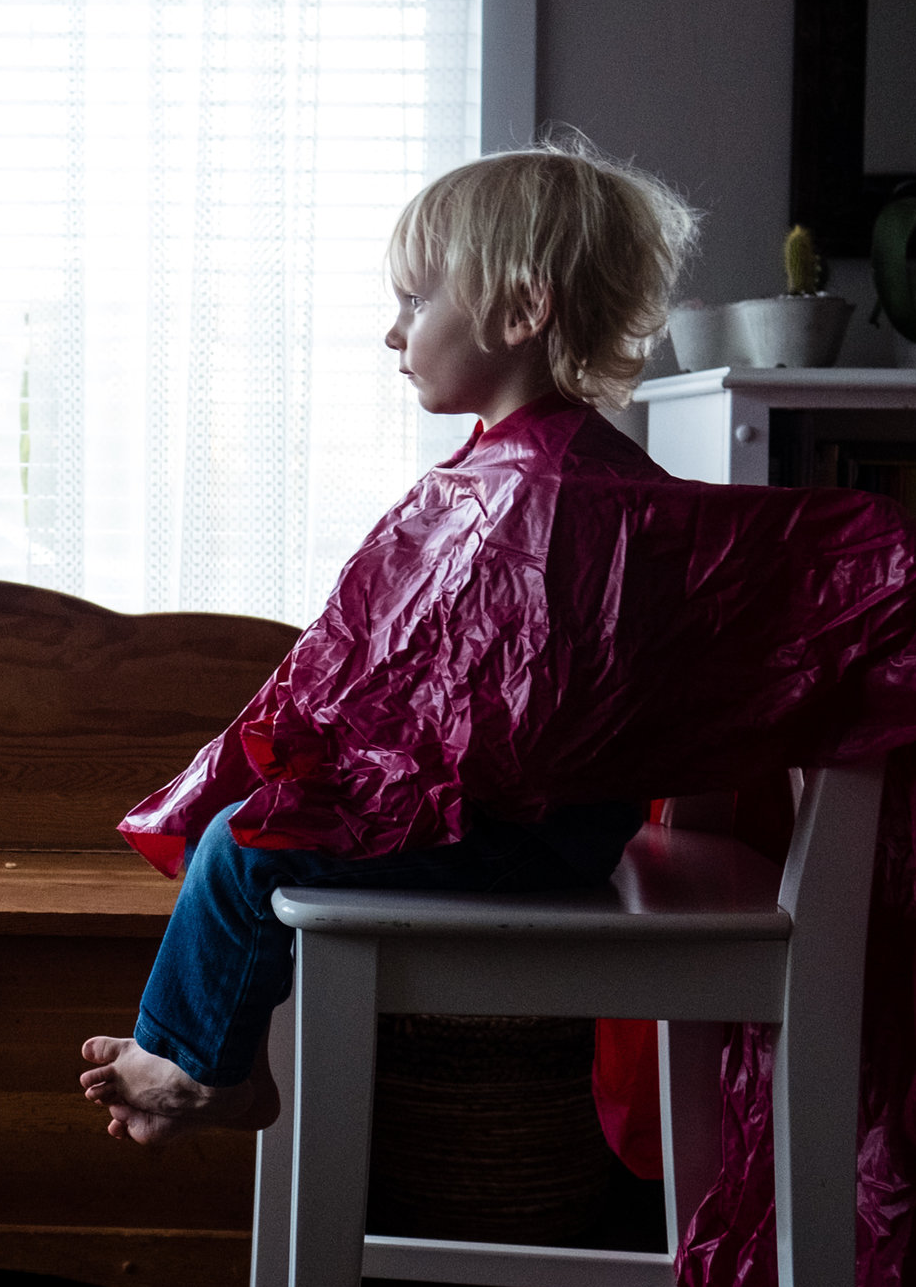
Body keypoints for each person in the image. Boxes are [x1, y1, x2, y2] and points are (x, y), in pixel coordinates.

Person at [80, 140, 697, 1144]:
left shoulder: (550, 488)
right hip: (532, 817)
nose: (390, 331)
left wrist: (367, 771)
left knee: (249, 846)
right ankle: (206, 1056)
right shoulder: (530, 467)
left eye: (416, 301)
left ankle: (196, 1067)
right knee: (254, 819)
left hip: (531, 833)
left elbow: (515, 708)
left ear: (519, 309)